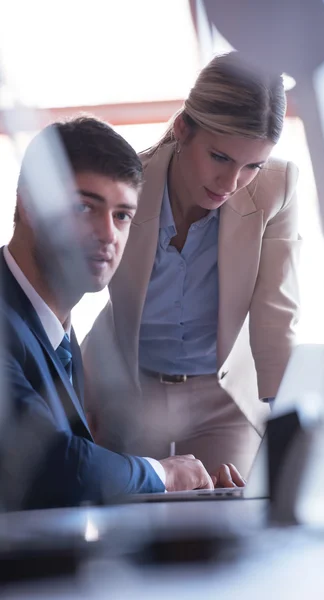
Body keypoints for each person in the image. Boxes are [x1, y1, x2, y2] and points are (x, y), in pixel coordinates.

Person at [0, 116, 244, 511]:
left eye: (122, 215)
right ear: (28, 205)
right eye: (85, 207)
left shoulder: (57, 334)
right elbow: (51, 466)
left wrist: (196, 495)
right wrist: (163, 475)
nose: (109, 234)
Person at [82, 52, 301, 479]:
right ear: (183, 129)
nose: (231, 183)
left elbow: (277, 316)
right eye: (220, 157)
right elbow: (67, 289)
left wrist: (288, 431)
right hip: (128, 385)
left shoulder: (277, 187)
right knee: (133, 518)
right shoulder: (128, 183)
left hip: (221, 395)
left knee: (227, 524)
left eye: (252, 165)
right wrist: (75, 400)